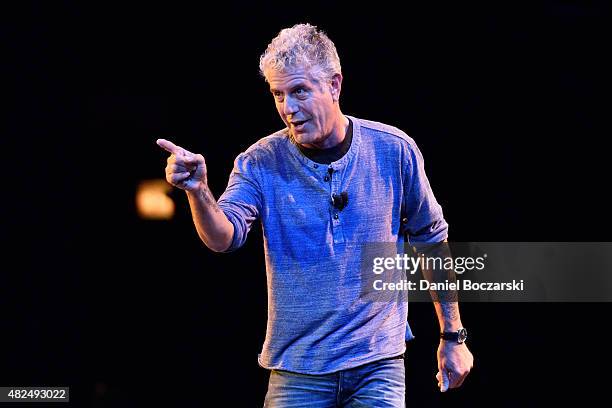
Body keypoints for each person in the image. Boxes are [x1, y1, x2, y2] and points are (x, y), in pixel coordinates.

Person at [157, 23, 473, 407]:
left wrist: (452, 336)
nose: (288, 108)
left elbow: (431, 241)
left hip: (377, 365)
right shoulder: (259, 162)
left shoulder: (393, 150)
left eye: (300, 91)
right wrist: (199, 191)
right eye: (278, 94)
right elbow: (225, 237)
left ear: (335, 85)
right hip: (297, 372)